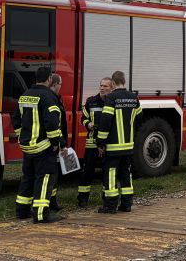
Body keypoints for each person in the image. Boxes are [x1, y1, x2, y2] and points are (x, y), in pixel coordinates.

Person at [13, 68, 65, 223]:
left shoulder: (25, 95)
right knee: (44, 179)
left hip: (27, 146)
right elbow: (51, 123)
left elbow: (16, 118)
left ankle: (22, 211)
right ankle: (41, 214)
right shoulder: (48, 97)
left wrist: (22, 137)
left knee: (27, 178)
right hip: (43, 146)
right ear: (49, 79)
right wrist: (56, 143)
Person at [96, 70, 140, 214]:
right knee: (126, 174)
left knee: (111, 175)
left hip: (114, 146)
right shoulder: (133, 97)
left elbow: (106, 120)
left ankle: (110, 206)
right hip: (128, 145)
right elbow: (139, 116)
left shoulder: (111, 97)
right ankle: (127, 204)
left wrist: (100, 141)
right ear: (124, 81)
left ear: (113, 83)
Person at [77, 77, 114, 207]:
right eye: (101, 85)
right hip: (92, 143)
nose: (102, 88)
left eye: (106, 86)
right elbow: (83, 118)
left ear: (112, 88)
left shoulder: (113, 103)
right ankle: (82, 198)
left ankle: (106, 198)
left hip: (108, 144)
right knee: (87, 171)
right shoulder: (91, 102)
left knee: (106, 172)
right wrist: (88, 124)